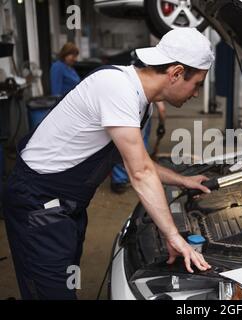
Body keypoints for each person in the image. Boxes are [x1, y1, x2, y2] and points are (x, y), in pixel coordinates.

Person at [3, 28, 215, 300]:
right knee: (48, 292)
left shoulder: (141, 103)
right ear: (175, 73)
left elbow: (134, 160)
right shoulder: (116, 88)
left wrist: (182, 180)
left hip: (66, 206)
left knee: (67, 282)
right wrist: (173, 236)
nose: (196, 93)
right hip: (37, 202)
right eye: (197, 83)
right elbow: (139, 172)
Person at [110, 101, 166, 194]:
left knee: (120, 145)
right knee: (139, 146)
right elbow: (162, 109)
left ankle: (119, 180)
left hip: (123, 114)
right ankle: (138, 175)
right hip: (140, 117)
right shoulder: (151, 91)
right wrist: (161, 125)